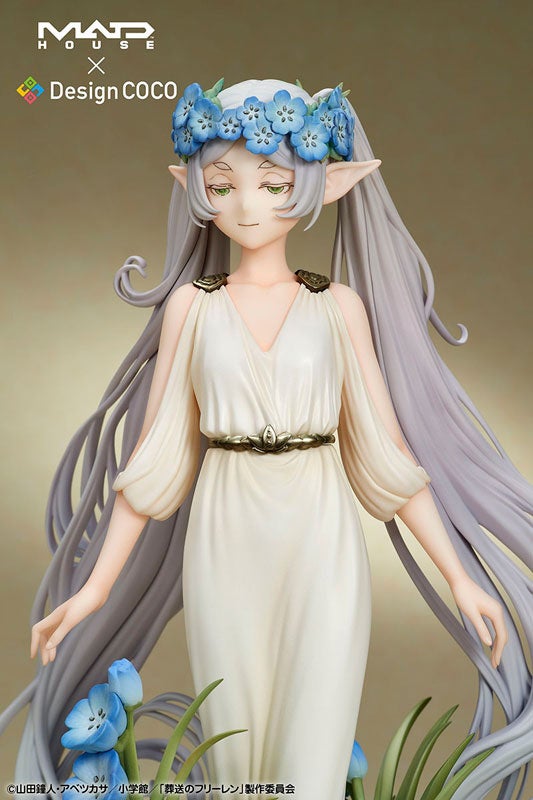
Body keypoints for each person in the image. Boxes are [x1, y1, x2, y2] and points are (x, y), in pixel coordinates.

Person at [1, 78, 531, 800]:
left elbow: (389, 461)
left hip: (321, 537)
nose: (247, 206)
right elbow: (152, 465)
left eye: (273, 185)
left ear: (322, 187)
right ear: (194, 188)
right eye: (222, 186)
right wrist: (93, 589)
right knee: (237, 742)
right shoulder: (191, 309)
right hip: (225, 537)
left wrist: (461, 577)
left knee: (316, 731)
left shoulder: (337, 307)